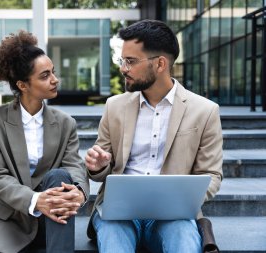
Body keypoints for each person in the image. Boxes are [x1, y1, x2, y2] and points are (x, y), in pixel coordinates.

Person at [85, 19, 223, 253]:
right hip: (119, 214)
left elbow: (211, 175)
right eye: (123, 60)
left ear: (160, 64)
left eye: (130, 61)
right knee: (114, 240)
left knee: (184, 240)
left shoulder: (205, 111)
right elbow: (100, 172)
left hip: (173, 215)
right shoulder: (114, 107)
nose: (123, 68)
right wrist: (98, 166)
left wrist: (181, 199)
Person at [0, 30, 89, 253]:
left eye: (53, 72)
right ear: (23, 85)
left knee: (60, 176)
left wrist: (80, 192)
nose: (55, 80)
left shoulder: (65, 123)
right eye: (44, 76)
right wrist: (35, 200)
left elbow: (74, 164)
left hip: (54, 217)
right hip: (9, 216)